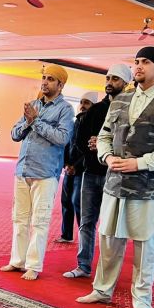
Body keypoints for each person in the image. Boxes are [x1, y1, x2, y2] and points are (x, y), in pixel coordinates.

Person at [76, 46, 154, 308]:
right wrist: (106, 156)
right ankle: (102, 290)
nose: (138, 66)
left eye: (146, 62)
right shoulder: (121, 99)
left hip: (149, 189)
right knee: (108, 240)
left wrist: (140, 163)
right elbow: (104, 135)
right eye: (136, 61)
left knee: (145, 246)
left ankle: (142, 301)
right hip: (115, 184)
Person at [0, 64, 74, 281]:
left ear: (60, 85)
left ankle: (33, 265)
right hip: (23, 169)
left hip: (45, 173)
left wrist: (36, 121)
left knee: (39, 221)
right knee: (19, 218)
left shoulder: (65, 109)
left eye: (50, 79)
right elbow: (15, 134)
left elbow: (62, 138)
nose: (45, 82)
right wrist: (28, 122)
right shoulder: (33, 105)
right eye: (44, 78)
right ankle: (17, 261)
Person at [64, 65, 132, 279]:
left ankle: (107, 273)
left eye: (115, 79)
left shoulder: (131, 109)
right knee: (86, 221)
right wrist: (92, 147)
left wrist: (104, 146)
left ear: (126, 83)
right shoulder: (95, 110)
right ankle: (83, 266)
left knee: (111, 226)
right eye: (108, 78)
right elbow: (80, 139)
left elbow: (132, 141)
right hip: (91, 173)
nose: (110, 82)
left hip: (117, 175)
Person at [56, 92, 96, 243]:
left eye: (87, 103)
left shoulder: (94, 125)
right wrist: (66, 164)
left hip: (82, 170)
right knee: (66, 201)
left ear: (93, 106)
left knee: (78, 203)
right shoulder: (75, 122)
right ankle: (66, 235)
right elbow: (67, 144)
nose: (83, 105)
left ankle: (84, 237)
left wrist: (75, 167)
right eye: (81, 102)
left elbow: (88, 151)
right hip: (69, 169)